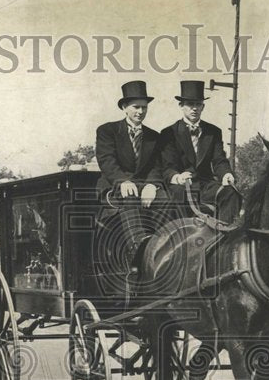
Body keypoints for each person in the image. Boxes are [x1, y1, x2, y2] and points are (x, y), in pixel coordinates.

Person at [95, 80, 169, 289]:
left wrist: (152, 185)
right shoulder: (107, 131)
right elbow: (106, 161)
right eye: (136, 107)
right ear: (124, 108)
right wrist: (122, 181)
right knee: (129, 195)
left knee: (166, 198)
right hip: (114, 187)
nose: (140, 111)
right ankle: (139, 248)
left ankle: (165, 245)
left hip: (142, 187)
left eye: (144, 107)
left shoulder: (154, 137)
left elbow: (156, 166)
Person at [158, 80, 241, 224]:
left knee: (231, 193)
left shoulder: (213, 132)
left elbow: (219, 160)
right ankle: (184, 239)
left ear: (203, 106)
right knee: (179, 194)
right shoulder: (169, 133)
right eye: (190, 104)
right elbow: (167, 166)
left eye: (198, 104)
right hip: (181, 186)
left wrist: (226, 174)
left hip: (206, 186)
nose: (194, 108)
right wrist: (177, 177)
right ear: (181, 106)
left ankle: (224, 238)